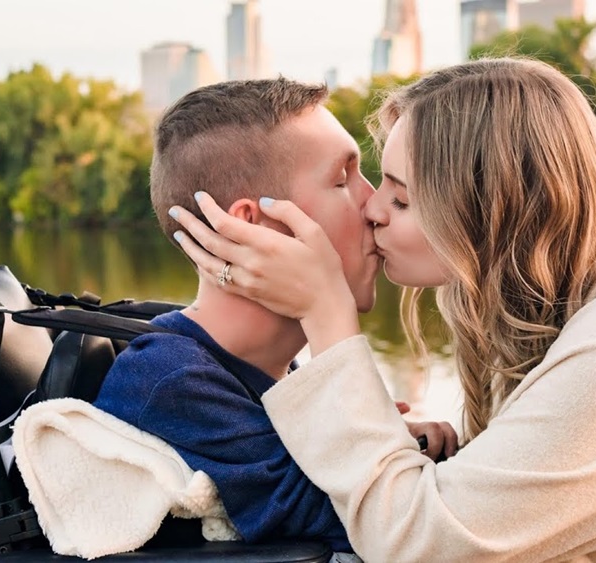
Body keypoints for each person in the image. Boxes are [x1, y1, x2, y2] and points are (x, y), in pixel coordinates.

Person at [169, 58, 596, 562]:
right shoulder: (567, 305)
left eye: (402, 195)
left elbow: (418, 545)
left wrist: (329, 317)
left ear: (492, 208)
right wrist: (407, 443)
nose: (373, 210)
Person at [92, 78, 457, 554]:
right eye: (342, 180)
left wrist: (389, 439)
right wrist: (392, 446)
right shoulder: (174, 382)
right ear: (249, 228)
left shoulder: (270, 373)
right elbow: (371, 524)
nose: (372, 203)